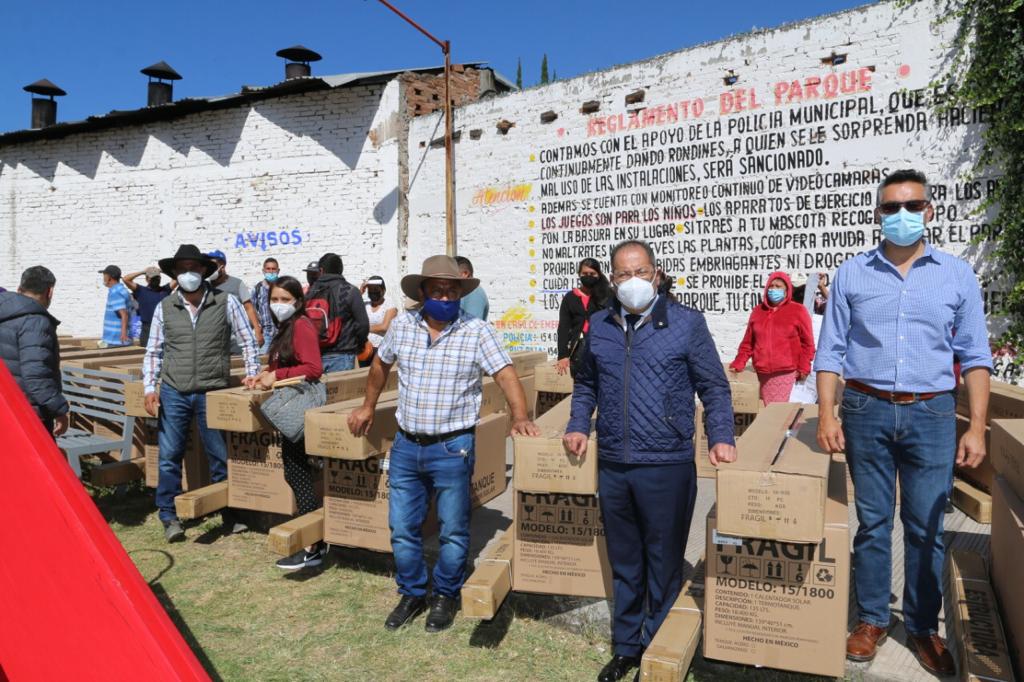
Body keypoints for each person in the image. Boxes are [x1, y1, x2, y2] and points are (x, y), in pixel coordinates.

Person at [814, 169, 991, 677]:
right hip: (866, 409)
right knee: (872, 522)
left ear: (929, 211)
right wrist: (827, 412)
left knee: (927, 527)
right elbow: (831, 352)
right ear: (878, 213)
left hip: (932, 411)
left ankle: (921, 626)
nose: (901, 216)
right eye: (890, 208)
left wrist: (976, 427)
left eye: (911, 205)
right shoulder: (852, 273)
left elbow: (975, 355)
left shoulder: (955, 275)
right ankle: (871, 618)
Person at [563, 240, 737, 682]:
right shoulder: (599, 325)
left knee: (662, 561)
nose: (632, 281)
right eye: (623, 274)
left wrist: (721, 436)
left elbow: (714, 387)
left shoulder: (685, 323)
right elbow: (585, 385)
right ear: (612, 280)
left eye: (641, 272)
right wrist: (579, 424)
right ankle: (626, 648)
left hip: (667, 462)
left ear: (656, 275)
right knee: (625, 559)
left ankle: (657, 648)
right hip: (616, 463)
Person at [347, 255, 539, 633]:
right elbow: (380, 365)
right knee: (402, 527)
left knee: (453, 529)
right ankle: (413, 592)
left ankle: (445, 595)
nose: (446, 298)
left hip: (453, 448)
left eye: (453, 292)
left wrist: (520, 417)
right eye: (439, 291)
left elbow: (506, 374)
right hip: (405, 446)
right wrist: (368, 406)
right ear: (423, 293)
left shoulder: (476, 332)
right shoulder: (402, 326)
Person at [144, 244, 260, 543]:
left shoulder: (226, 301)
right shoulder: (165, 307)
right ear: (175, 274)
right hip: (174, 390)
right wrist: (149, 387)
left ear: (203, 272)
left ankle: (228, 513)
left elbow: (248, 340)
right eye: (182, 269)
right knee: (169, 456)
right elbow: (154, 351)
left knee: (218, 454)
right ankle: (168, 515)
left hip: (212, 389)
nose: (188, 274)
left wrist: (252, 371)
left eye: (193, 269)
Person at [243, 275, 325, 570]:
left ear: (298, 302)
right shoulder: (285, 328)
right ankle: (313, 539)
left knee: (298, 474)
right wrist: (262, 375)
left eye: (285, 300)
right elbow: (281, 365)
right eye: (274, 300)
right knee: (297, 474)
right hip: (289, 409)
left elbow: (313, 367)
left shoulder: (301, 325)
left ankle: (312, 546)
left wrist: (276, 376)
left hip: (299, 409)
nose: (279, 305)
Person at [0, 266, 69, 438]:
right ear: (49, 291)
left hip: (6, 410)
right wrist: (59, 409)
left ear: (19, 289)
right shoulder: (36, 322)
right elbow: (36, 375)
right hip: (29, 415)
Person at [729, 271, 816, 405]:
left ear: (787, 290)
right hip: (763, 374)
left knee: (782, 414)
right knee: (769, 411)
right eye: (771, 286)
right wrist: (739, 362)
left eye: (778, 286)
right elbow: (748, 343)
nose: (773, 289)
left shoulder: (798, 311)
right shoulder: (758, 312)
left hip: (787, 373)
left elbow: (808, 344)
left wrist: (804, 367)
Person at [304, 253, 369, 373]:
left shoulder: (310, 292)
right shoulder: (350, 291)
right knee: (341, 392)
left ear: (321, 270)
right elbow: (363, 325)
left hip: (315, 356)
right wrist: (359, 344)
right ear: (341, 270)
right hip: (343, 354)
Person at [555, 258, 611, 377]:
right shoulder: (570, 298)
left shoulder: (606, 296)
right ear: (579, 274)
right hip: (579, 351)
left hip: (603, 349)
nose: (588, 276)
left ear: (598, 275)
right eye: (585, 274)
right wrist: (563, 356)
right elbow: (563, 328)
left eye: (592, 274)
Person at [205, 250, 261, 352]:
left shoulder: (237, 284)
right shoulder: (205, 286)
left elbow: (249, 307)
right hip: (214, 340)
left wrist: (257, 330)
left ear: (222, 266)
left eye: (213, 266)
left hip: (236, 340)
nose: (210, 269)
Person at [123, 266, 172, 348]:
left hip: (163, 328)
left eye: (157, 278)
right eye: (153, 278)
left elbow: (178, 278)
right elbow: (125, 279)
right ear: (147, 279)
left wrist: (163, 270)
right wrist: (142, 271)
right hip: (147, 329)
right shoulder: (140, 291)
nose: (155, 280)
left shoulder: (165, 290)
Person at [361, 276, 398, 366]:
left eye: (376, 289)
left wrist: (363, 327)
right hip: (365, 348)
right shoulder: (365, 304)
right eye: (370, 289)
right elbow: (350, 308)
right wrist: (361, 291)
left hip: (381, 349)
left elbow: (384, 327)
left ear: (383, 290)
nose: (373, 292)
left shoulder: (389, 304)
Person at [251, 257, 280, 354]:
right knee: (262, 358)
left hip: (282, 332)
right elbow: (252, 309)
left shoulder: (283, 286)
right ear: (263, 270)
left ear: (278, 270)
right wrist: (257, 329)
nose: (271, 272)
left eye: (273, 269)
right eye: (268, 269)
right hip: (266, 333)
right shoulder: (258, 288)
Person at [99, 265, 132, 347]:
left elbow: (124, 314)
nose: (103, 278)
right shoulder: (121, 289)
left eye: (104, 275)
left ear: (109, 277)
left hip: (116, 340)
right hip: (118, 339)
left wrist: (123, 334)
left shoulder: (115, 292)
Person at [455, 256, 489, 320]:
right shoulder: (464, 291)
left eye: (452, 273)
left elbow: (472, 325)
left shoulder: (473, 293)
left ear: (465, 274)